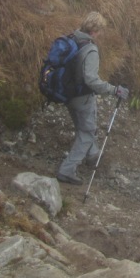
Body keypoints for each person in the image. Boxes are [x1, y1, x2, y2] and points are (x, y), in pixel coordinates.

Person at [55, 11, 129, 185]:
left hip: (67, 94)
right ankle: (66, 170)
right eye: (100, 30)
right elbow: (91, 80)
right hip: (82, 97)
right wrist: (114, 90)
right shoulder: (90, 49)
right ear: (95, 30)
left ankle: (92, 155)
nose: (101, 34)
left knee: (83, 127)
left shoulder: (72, 38)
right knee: (87, 132)